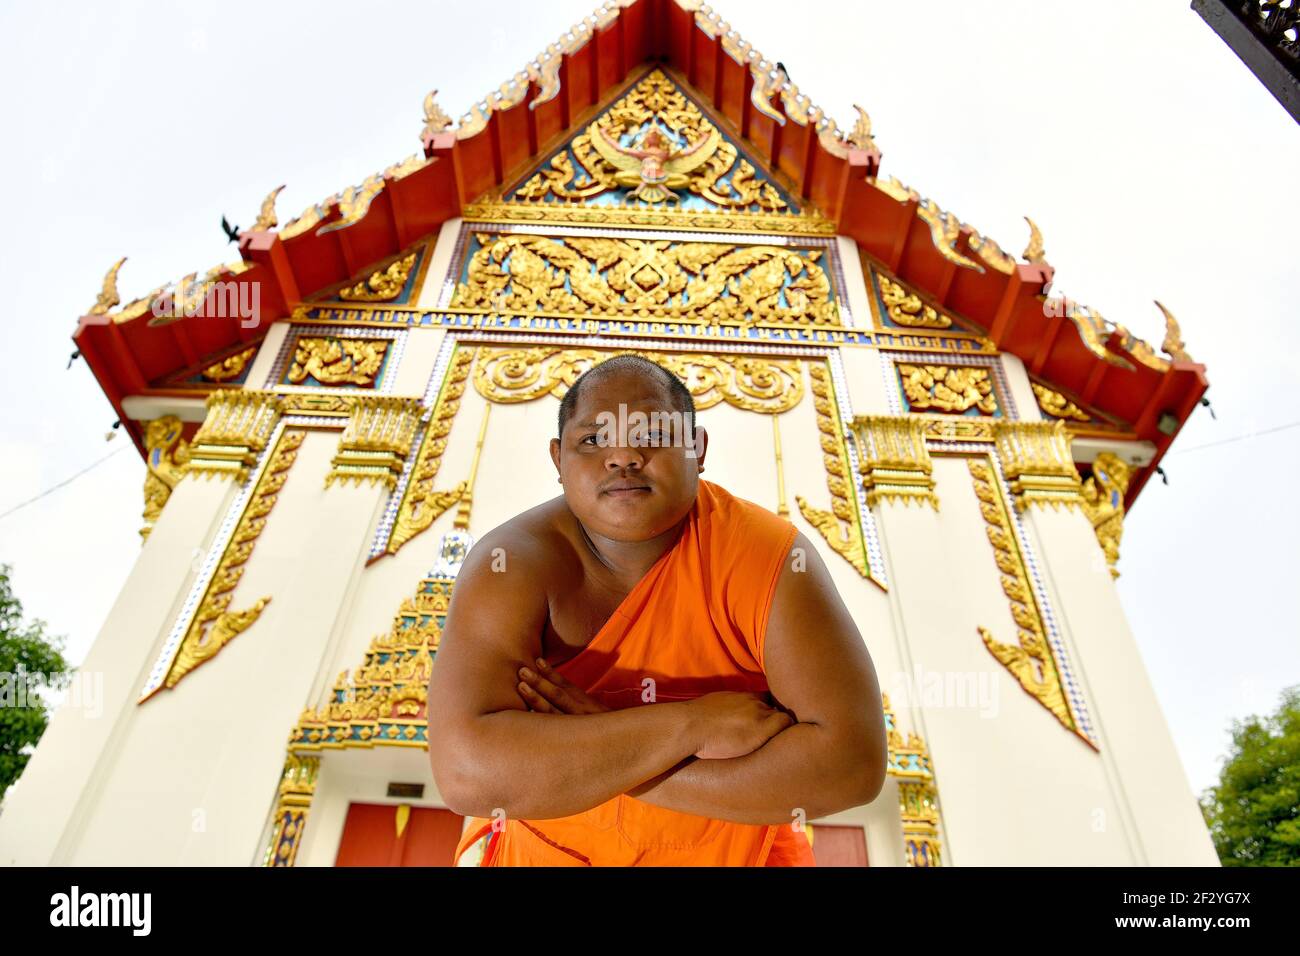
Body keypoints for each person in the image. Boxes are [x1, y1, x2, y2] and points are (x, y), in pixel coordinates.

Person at [427, 355, 887, 866]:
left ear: (698, 448)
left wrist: (608, 748)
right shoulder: (513, 562)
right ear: (559, 460)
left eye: (653, 433)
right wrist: (691, 725)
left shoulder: (767, 555)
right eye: (594, 440)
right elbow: (469, 774)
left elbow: (851, 764)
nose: (623, 457)